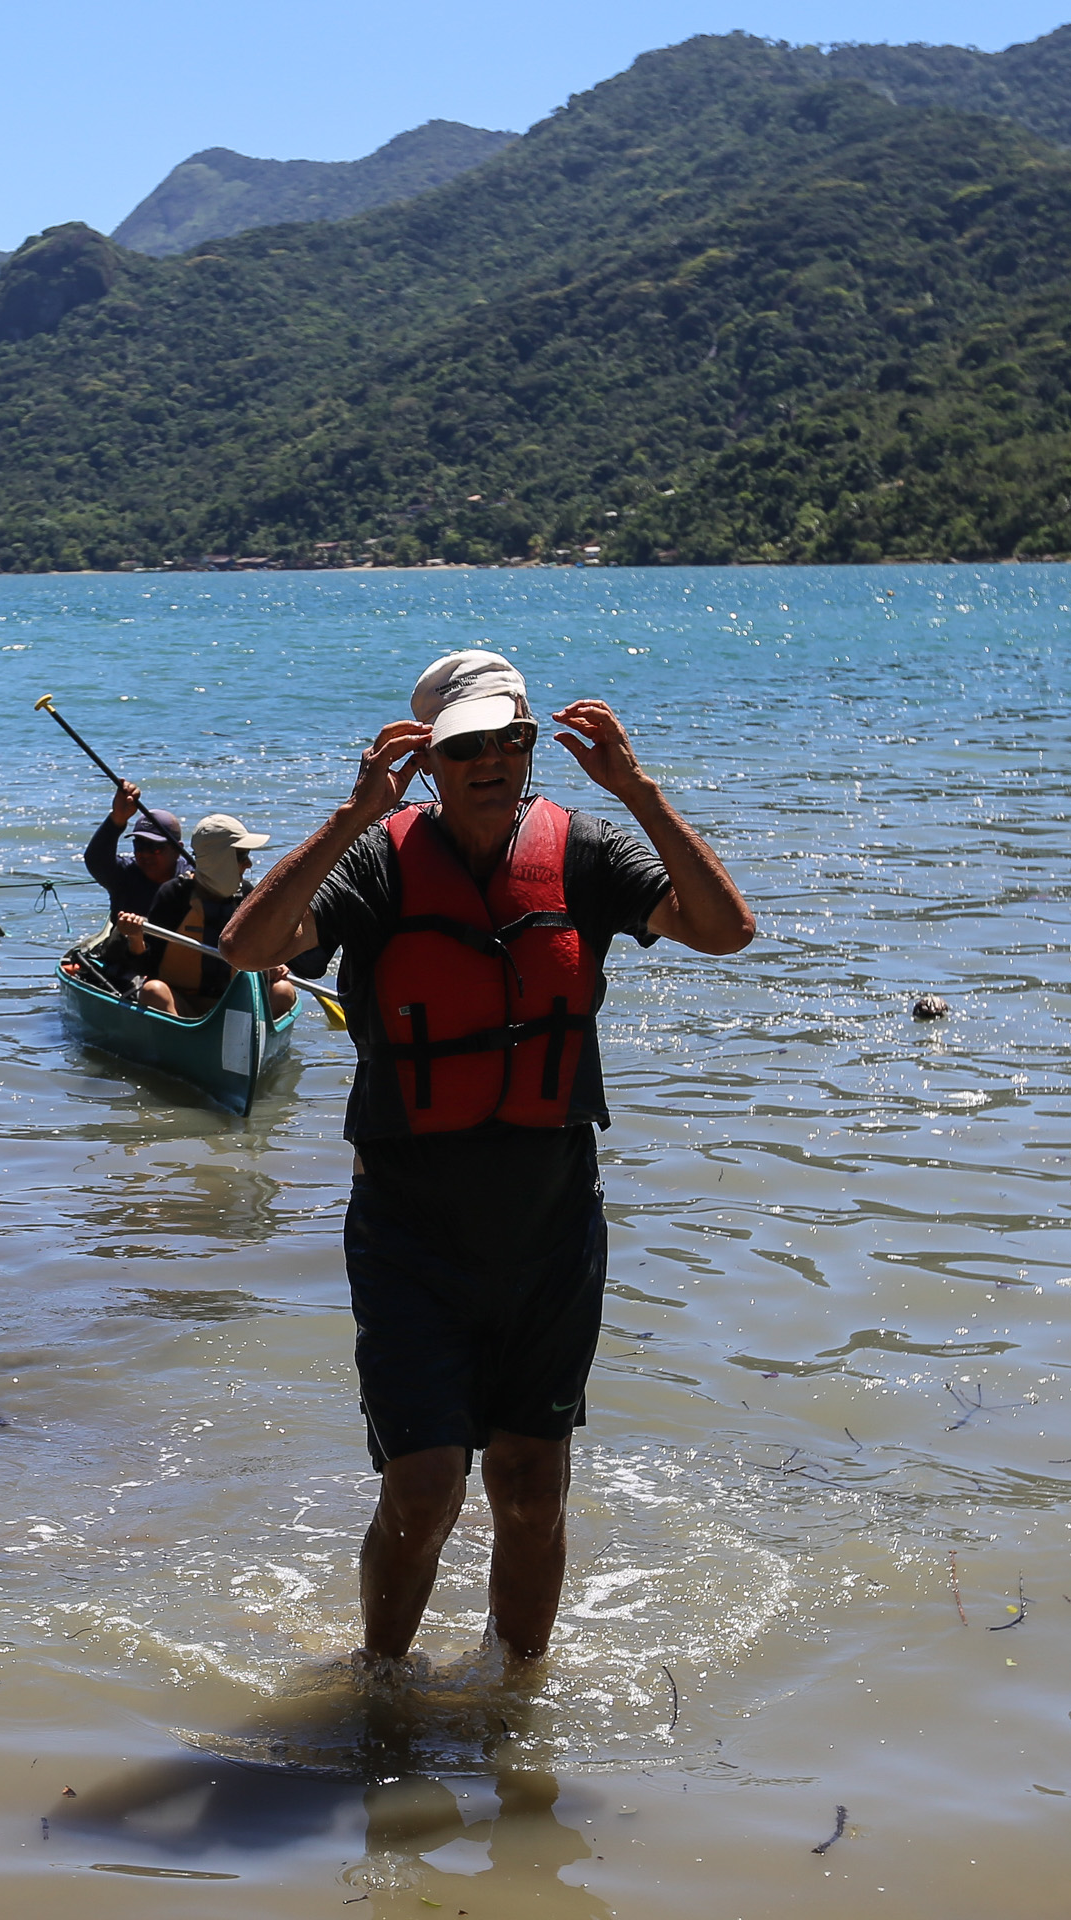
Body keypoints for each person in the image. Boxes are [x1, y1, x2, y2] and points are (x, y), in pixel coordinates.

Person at [219, 649, 754, 1667]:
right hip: (410, 1232)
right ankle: (379, 1690)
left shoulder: (584, 851)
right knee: (421, 1491)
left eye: (510, 739)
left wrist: (636, 792)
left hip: (548, 1230)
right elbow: (251, 950)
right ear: (430, 761)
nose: (491, 762)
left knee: (528, 1488)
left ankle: (516, 1709)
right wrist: (347, 813)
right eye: (465, 746)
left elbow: (724, 931)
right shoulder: (378, 861)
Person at [118, 813, 298, 1020]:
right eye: (241, 856)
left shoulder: (248, 896)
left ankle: (249, 1045)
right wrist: (135, 937)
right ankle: (184, 1046)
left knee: (283, 991)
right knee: (153, 991)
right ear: (217, 860)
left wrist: (273, 965)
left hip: (235, 1007)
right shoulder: (174, 896)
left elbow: (264, 952)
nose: (248, 864)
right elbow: (145, 967)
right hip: (181, 1006)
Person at [84, 780, 189, 918]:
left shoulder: (192, 879)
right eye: (139, 845)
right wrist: (117, 819)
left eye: (155, 847)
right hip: (126, 938)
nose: (145, 854)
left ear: (177, 850)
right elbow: (95, 860)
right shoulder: (125, 873)